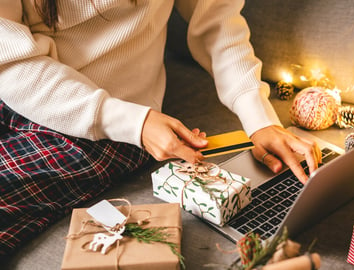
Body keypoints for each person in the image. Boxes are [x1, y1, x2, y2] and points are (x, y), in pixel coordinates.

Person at [0, 0, 321, 257]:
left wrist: (258, 117)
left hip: (102, 133)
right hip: (19, 91)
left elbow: (217, 18)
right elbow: (10, 60)